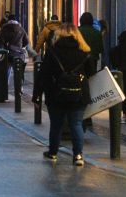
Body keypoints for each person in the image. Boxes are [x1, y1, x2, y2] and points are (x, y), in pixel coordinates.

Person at [36, 23, 92, 166]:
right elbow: (91, 73)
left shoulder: (52, 51)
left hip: (56, 94)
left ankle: (53, 153)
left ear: (58, 35)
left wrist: (37, 95)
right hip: (78, 95)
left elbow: (43, 74)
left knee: (56, 125)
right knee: (77, 124)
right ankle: (78, 155)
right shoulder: (84, 52)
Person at [78, 12, 105, 130]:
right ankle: (89, 116)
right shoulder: (97, 33)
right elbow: (100, 50)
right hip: (92, 64)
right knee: (90, 88)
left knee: (80, 88)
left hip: (78, 64)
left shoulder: (77, 31)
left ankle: (82, 114)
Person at [0, 13, 30, 98]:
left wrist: (0, 52)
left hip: (8, 53)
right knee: (19, 72)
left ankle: (5, 87)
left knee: (7, 71)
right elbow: (26, 42)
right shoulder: (21, 29)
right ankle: (20, 87)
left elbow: (1, 42)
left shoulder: (4, 28)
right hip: (19, 54)